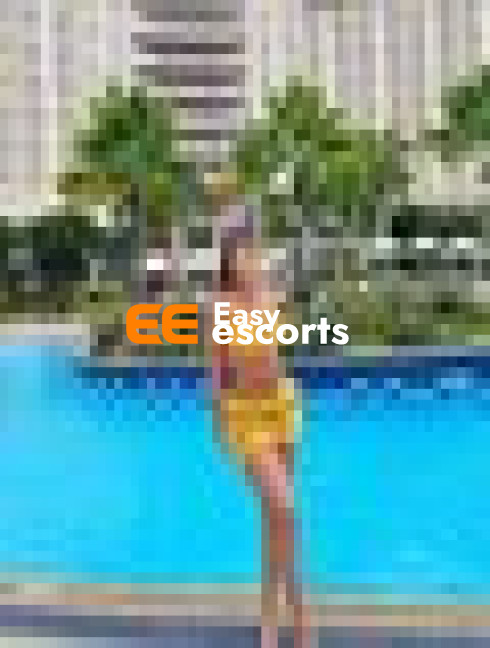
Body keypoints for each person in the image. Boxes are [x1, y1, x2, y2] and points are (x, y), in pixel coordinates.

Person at [211, 197, 311, 647]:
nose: (247, 260)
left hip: (283, 408)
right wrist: (219, 423)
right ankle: (299, 623)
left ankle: (276, 624)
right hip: (245, 416)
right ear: (228, 260)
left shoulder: (271, 296)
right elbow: (216, 371)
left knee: (278, 523)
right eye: (238, 253)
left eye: (253, 251)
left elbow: (276, 354)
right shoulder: (220, 307)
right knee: (286, 510)